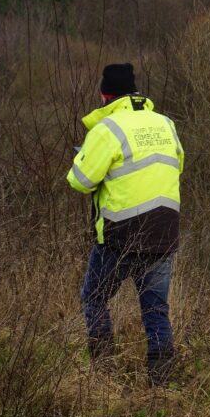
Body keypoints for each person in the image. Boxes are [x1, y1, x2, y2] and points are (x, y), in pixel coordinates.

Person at [67, 62, 184, 386]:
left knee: (94, 297)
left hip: (122, 235)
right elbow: (178, 165)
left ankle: (103, 372)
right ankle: (160, 384)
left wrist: (81, 157)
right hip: (164, 231)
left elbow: (81, 181)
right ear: (135, 91)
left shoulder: (107, 129)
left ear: (105, 95)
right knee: (156, 309)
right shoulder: (166, 124)